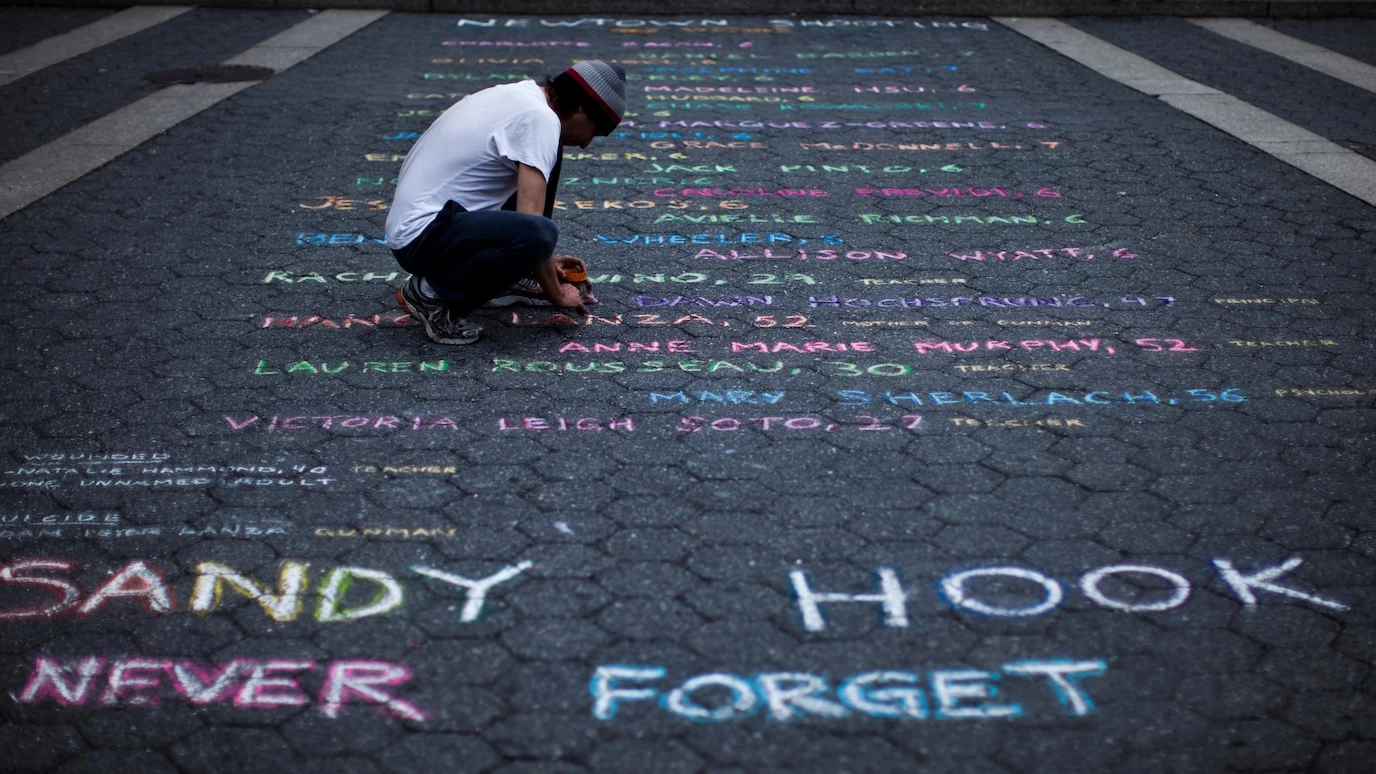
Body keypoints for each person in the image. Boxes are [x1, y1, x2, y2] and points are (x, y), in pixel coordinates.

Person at [385, 61, 627, 344]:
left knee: (548, 165)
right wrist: (557, 293)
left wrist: (543, 262)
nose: (586, 143)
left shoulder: (523, 96)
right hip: (425, 236)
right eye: (594, 131)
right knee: (538, 234)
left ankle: (517, 274)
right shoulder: (540, 118)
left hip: (427, 227)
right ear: (582, 108)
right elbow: (532, 224)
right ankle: (430, 294)